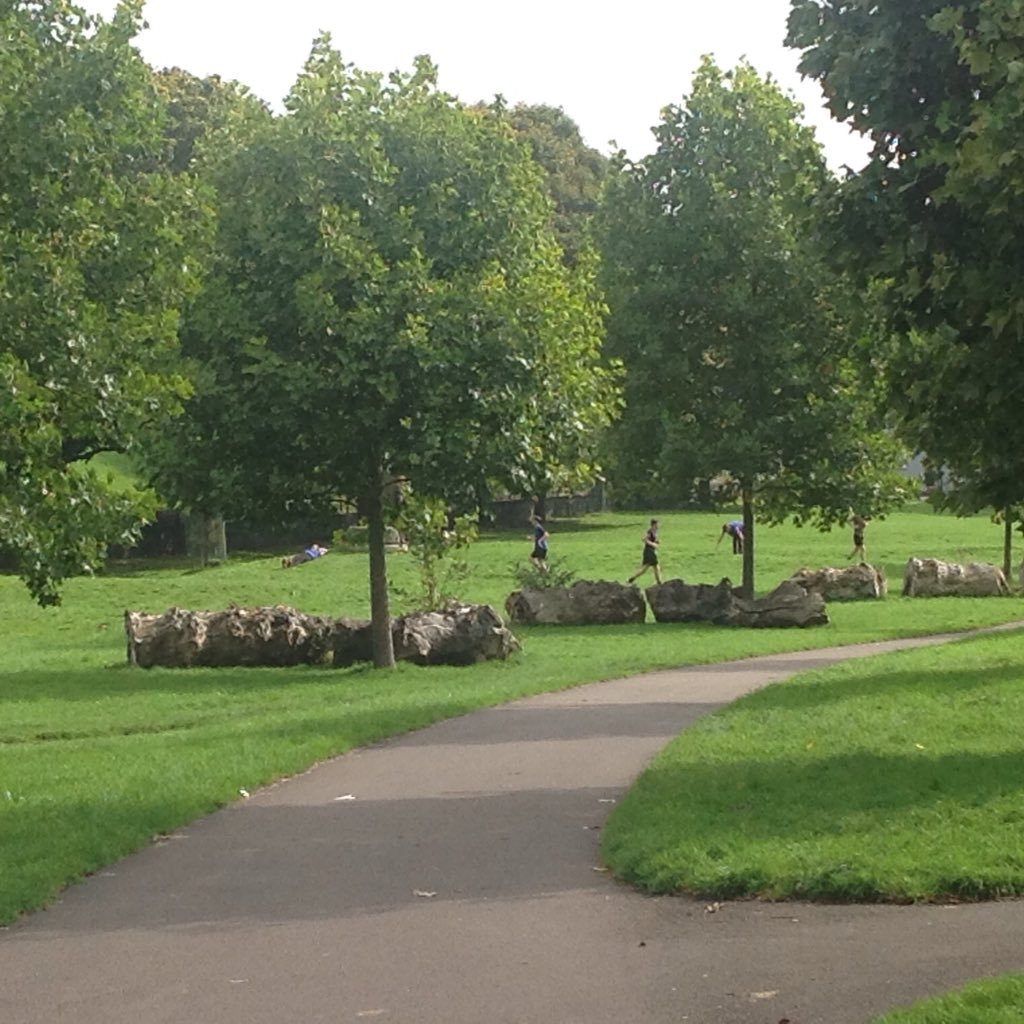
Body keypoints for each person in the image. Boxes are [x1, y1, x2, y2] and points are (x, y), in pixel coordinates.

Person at [628, 518, 663, 585]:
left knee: (646, 568)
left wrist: (657, 542)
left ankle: (632, 578)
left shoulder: (655, 532)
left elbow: (652, 540)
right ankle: (659, 582)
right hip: (649, 551)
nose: (658, 526)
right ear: (653, 525)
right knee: (656, 566)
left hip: (651, 551)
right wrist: (653, 544)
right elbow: (644, 539)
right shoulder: (650, 531)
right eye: (657, 524)